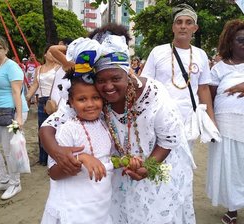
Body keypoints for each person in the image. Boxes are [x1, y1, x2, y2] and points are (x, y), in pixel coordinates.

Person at [40, 34, 196, 223]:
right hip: (116, 174)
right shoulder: (95, 97)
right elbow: (49, 126)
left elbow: (168, 140)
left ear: (128, 73)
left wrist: (147, 167)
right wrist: (58, 153)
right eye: (101, 80)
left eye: (115, 78)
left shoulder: (153, 95)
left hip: (156, 166)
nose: (108, 87)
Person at [41, 67, 114, 224]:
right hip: (75, 207)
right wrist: (80, 158)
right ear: (71, 102)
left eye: (96, 97)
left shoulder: (106, 124)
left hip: (101, 204)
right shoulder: (67, 129)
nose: (90, 104)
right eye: (82, 99)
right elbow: (54, 172)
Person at [141, 4, 215, 147]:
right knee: (161, 163)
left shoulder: (201, 55)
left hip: (188, 119)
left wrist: (211, 121)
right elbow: (146, 85)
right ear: (173, 27)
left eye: (188, 22)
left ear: (195, 28)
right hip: (160, 117)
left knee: (185, 163)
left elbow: (203, 89)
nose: (183, 26)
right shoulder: (158, 52)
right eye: (179, 22)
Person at [206, 19, 244, 224]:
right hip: (226, 125)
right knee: (230, 167)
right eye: (240, 39)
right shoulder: (218, 68)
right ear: (230, 41)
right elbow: (209, 97)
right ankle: (232, 209)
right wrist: (211, 123)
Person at [0, 35, 29, 200]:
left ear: (6, 50)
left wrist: (19, 117)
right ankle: (3, 179)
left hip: (13, 112)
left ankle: (15, 183)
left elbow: (17, 92)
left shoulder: (12, 67)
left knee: (9, 148)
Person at [26, 45, 60, 166]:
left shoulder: (58, 68)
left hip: (54, 101)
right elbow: (35, 84)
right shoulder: (39, 69)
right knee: (42, 129)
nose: (52, 54)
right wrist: (27, 97)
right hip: (41, 100)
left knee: (55, 129)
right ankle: (43, 158)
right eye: (49, 52)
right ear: (45, 54)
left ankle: (55, 157)